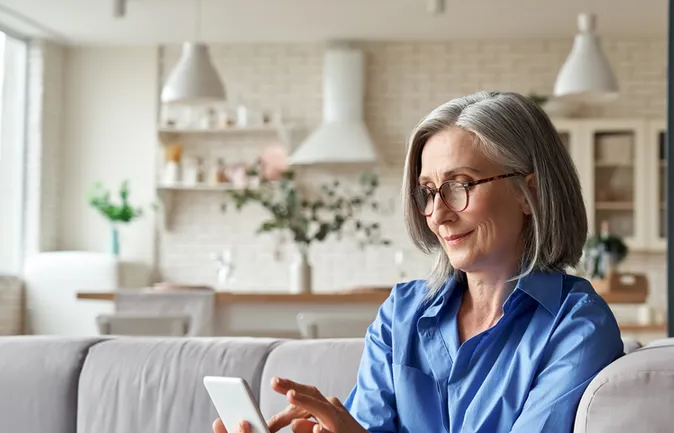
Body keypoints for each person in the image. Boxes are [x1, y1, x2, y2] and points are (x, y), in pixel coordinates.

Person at [213, 91, 624, 433]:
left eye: (460, 185)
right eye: (428, 191)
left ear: (527, 192)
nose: (438, 213)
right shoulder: (401, 314)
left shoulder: (578, 328)